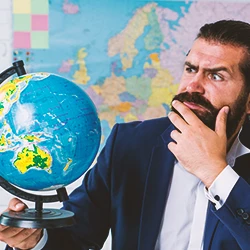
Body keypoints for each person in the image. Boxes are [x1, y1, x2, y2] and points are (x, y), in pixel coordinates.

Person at [1, 19, 250, 250]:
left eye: (216, 75)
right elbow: (76, 236)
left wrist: (215, 173)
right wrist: (35, 239)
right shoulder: (130, 144)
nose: (193, 86)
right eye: (190, 69)